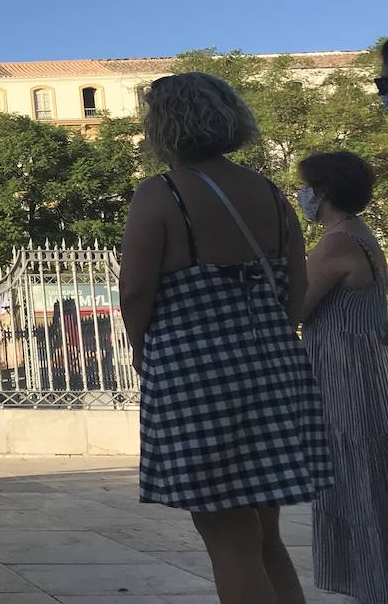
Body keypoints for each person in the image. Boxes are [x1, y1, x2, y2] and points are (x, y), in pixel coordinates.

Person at [119, 73, 331, 604]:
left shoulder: (162, 195)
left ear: (163, 128)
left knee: (228, 540)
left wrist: (143, 348)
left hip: (197, 375)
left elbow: (136, 291)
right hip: (274, 368)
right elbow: (296, 287)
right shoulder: (271, 195)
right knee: (266, 537)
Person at [296, 150, 388, 603]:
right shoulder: (359, 233)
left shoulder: (336, 242)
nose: (302, 195)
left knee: (354, 477)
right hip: (362, 366)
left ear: (323, 191)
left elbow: (294, 306)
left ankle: (369, 580)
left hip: (344, 371)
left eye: (306, 187)